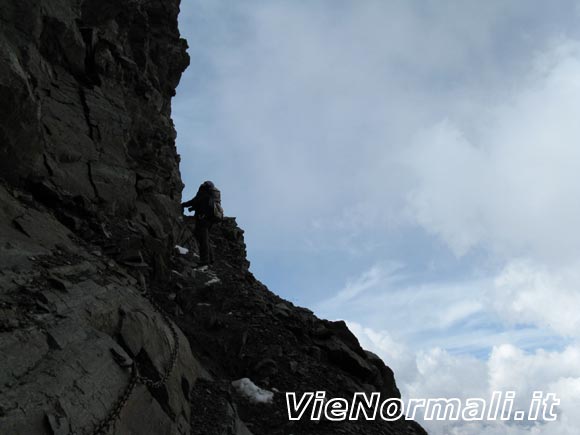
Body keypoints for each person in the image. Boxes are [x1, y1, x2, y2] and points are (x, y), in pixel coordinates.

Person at [181, 181, 223, 266]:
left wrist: (183, 205)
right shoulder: (211, 195)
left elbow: (194, 201)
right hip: (210, 220)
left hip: (202, 219)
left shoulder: (203, 192)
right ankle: (211, 258)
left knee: (203, 239)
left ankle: (205, 260)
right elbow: (202, 203)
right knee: (205, 238)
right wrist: (192, 209)